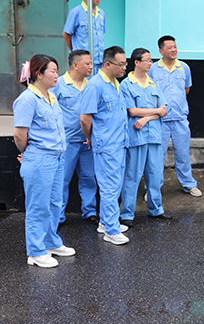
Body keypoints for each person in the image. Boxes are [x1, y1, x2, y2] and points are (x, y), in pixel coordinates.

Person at [13, 54, 76, 268]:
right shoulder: (27, 99)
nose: (57, 75)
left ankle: (50, 242)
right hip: (39, 159)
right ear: (39, 74)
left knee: (55, 204)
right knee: (38, 207)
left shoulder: (51, 97)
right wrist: (28, 152)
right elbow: (19, 135)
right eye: (53, 71)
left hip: (57, 159)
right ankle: (36, 251)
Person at [80, 46, 130, 245]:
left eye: (125, 64)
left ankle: (105, 222)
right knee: (109, 187)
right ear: (108, 64)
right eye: (121, 64)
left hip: (119, 143)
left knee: (115, 186)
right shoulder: (95, 86)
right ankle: (111, 230)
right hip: (107, 145)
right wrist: (91, 138)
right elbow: (85, 118)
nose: (124, 68)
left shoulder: (115, 83)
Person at [120, 48, 172, 228]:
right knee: (132, 176)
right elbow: (132, 111)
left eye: (151, 60)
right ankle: (127, 213)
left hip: (154, 136)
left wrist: (146, 118)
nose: (151, 63)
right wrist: (155, 112)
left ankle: (156, 209)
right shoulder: (126, 85)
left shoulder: (153, 83)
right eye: (147, 60)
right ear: (137, 62)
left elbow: (164, 110)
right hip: (137, 137)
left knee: (155, 175)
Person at [148, 36, 202, 197]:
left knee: (183, 154)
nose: (173, 50)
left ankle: (188, 184)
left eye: (175, 46)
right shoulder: (153, 69)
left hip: (179, 118)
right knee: (157, 156)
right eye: (169, 47)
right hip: (159, 119)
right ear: (161, 51)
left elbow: (186, 90)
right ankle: (153, 188)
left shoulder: (184, 67)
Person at [50, 50, 98, 225]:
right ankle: (58, 216)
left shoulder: (91, 85)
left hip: (87, 141)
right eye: (88, 63)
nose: (91, 67)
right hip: (66, 142)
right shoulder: (58, 84)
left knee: (89, 178)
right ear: (75, 65)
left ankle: (90, 211)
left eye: (91, 63)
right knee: (62, 180)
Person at [62, 0, 105, 73]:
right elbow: (66, 34)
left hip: (99, 61)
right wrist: (74, 51)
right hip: (84, 62)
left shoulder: (101, 13)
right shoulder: (76, 12)